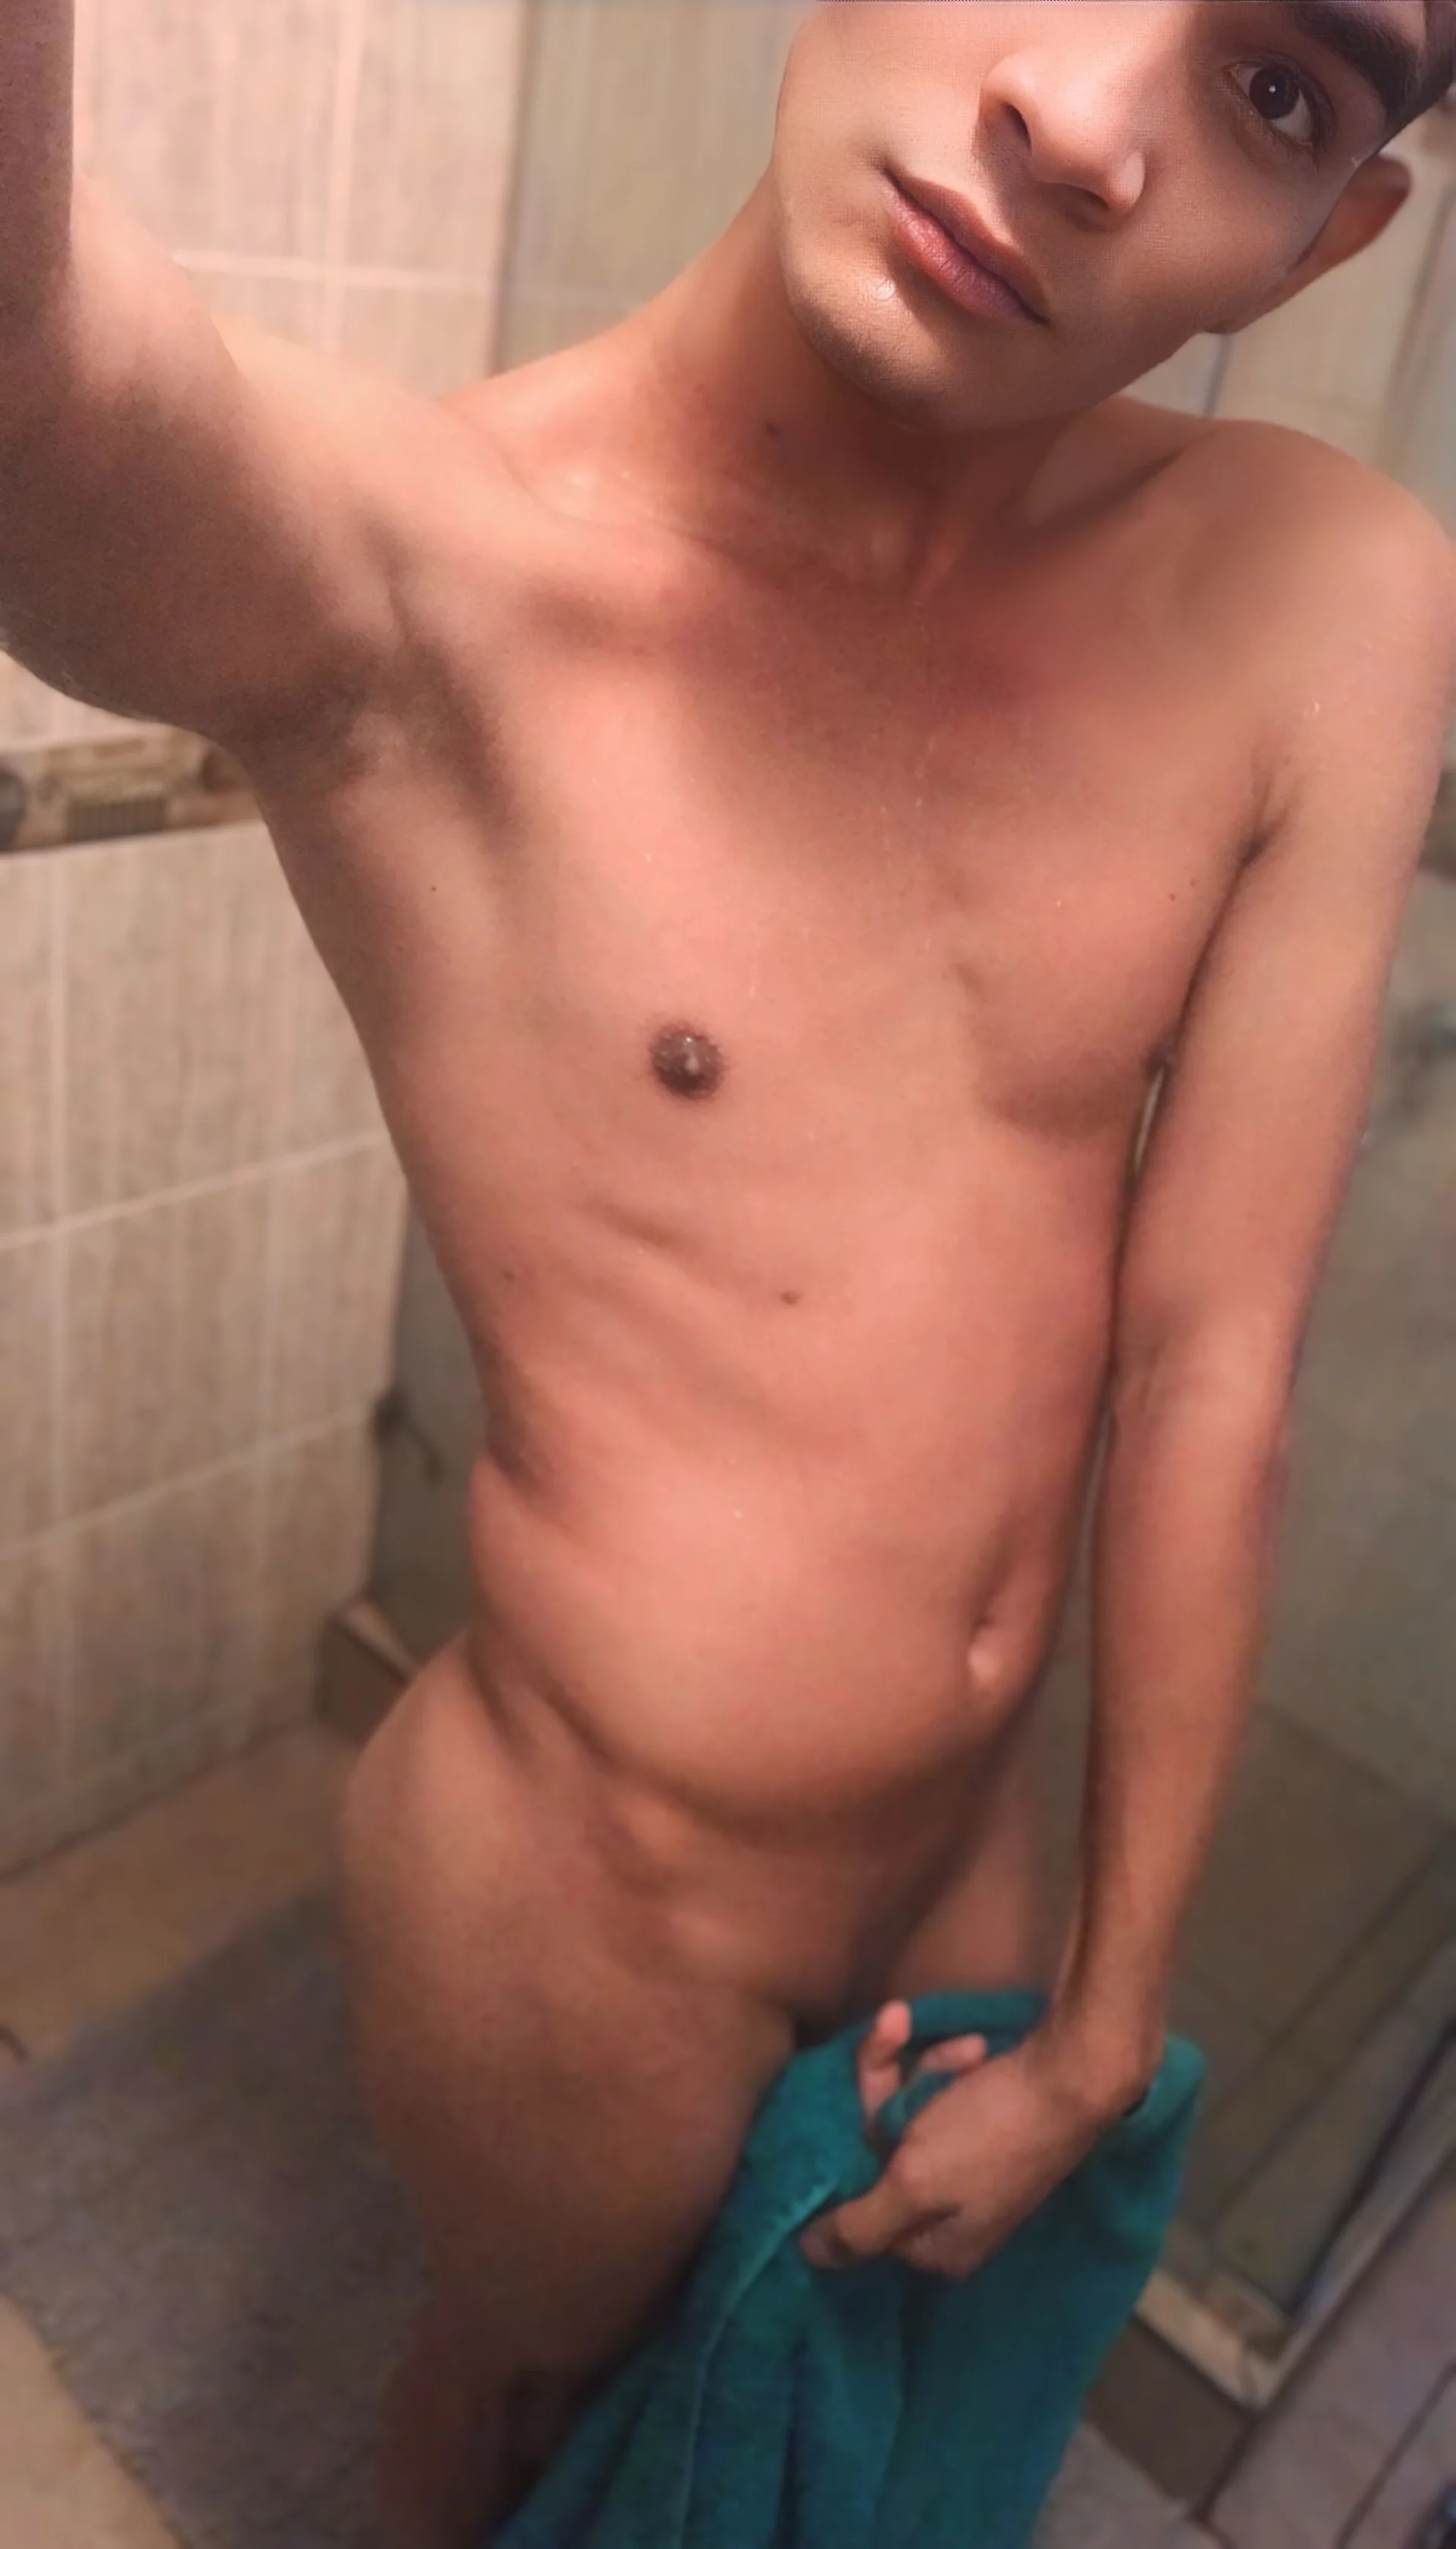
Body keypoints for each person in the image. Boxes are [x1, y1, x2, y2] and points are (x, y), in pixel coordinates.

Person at [2, 2, 1454, 2539]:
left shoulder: (1328, 596)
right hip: (597, 1903)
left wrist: (1105, 2029)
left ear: (1327, 241)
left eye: (1272, 87)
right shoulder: (431, 581)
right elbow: (33, 380)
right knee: (520, 2413)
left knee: (795, 2439)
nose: (1081, 122)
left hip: (974, 1835)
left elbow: (1214, 1363)